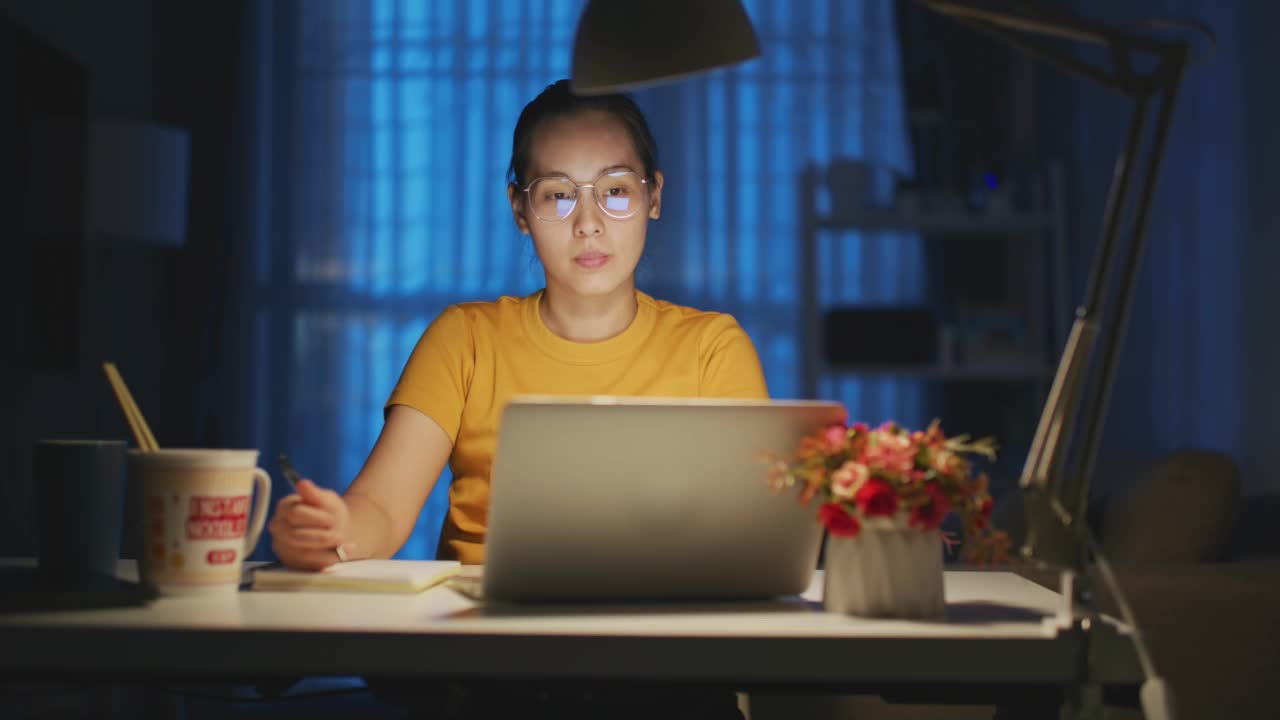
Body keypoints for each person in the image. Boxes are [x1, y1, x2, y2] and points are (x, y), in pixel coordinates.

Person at [267, 79, 763, 719]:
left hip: (662, 665)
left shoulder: (711, 348)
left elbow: (755, 535)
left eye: (614, 190)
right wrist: (331, 535)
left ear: (653, 196)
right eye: (557, 195)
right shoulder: (466, 338)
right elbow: (381, 511)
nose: (588, 223)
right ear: (519, 210)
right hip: (485, 669)